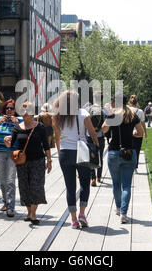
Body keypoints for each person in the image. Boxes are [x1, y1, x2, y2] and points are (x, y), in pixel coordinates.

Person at [53, 90, 99, 229]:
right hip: (82, 152)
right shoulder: (83, 114)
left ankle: (73, 220)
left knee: (70, 187)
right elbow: (92, 132)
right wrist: (96, 145)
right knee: (85, 183)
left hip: (65, 153)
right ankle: (82, 214)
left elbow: (57, 137)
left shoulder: (58, 116)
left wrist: (60, 152)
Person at [4, 101, 52, 225]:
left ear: (32, 113)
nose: (24, 113)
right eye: (23, 110)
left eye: (27, 110)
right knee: (24, 187)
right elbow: (11, 144)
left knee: (36, 186)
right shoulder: (17, 128)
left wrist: (49, 160)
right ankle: (29, 212)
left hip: (38, 161)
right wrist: (7, 141)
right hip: (22, 162)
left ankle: (33, 214)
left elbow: (46, 145)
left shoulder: (39, 127)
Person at [102, 93, 144, 224]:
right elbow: (140, 132)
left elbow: (103, 129)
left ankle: (119, 208)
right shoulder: (132, 115)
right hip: (129, 152)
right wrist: (132, 133)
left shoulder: (113, 114)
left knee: (116, 183)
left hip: (114, 152)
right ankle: (124, 214)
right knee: (126, 185)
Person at [0, 99, 22, 218]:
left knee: (10, 180)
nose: (9, 110)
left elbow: (24, 134)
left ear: (15, 110)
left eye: (11, 108)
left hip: (13, 154)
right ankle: (5, 202)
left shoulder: (19, 120)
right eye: (7, 108)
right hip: (0, 153)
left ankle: (10, 207)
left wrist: (17, 123)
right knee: (2, 180)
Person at [88, 91, 107, 187]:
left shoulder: (89, 109)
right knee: (100, 157)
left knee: (91, 157)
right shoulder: (104, 110)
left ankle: (93, 178)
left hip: (90, 136)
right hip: (100, 136)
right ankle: (99, 176)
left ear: (94, 98)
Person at [128, 96, 147, 170]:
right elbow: (143, 123)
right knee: (137, 150)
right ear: (136, 103)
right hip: (139, 133)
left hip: (129, 133)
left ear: (130, 102)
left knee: (129, 149)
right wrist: (145, 132)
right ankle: (135, 166)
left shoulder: (127, 110)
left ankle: (129, 165)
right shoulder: (140, 111)